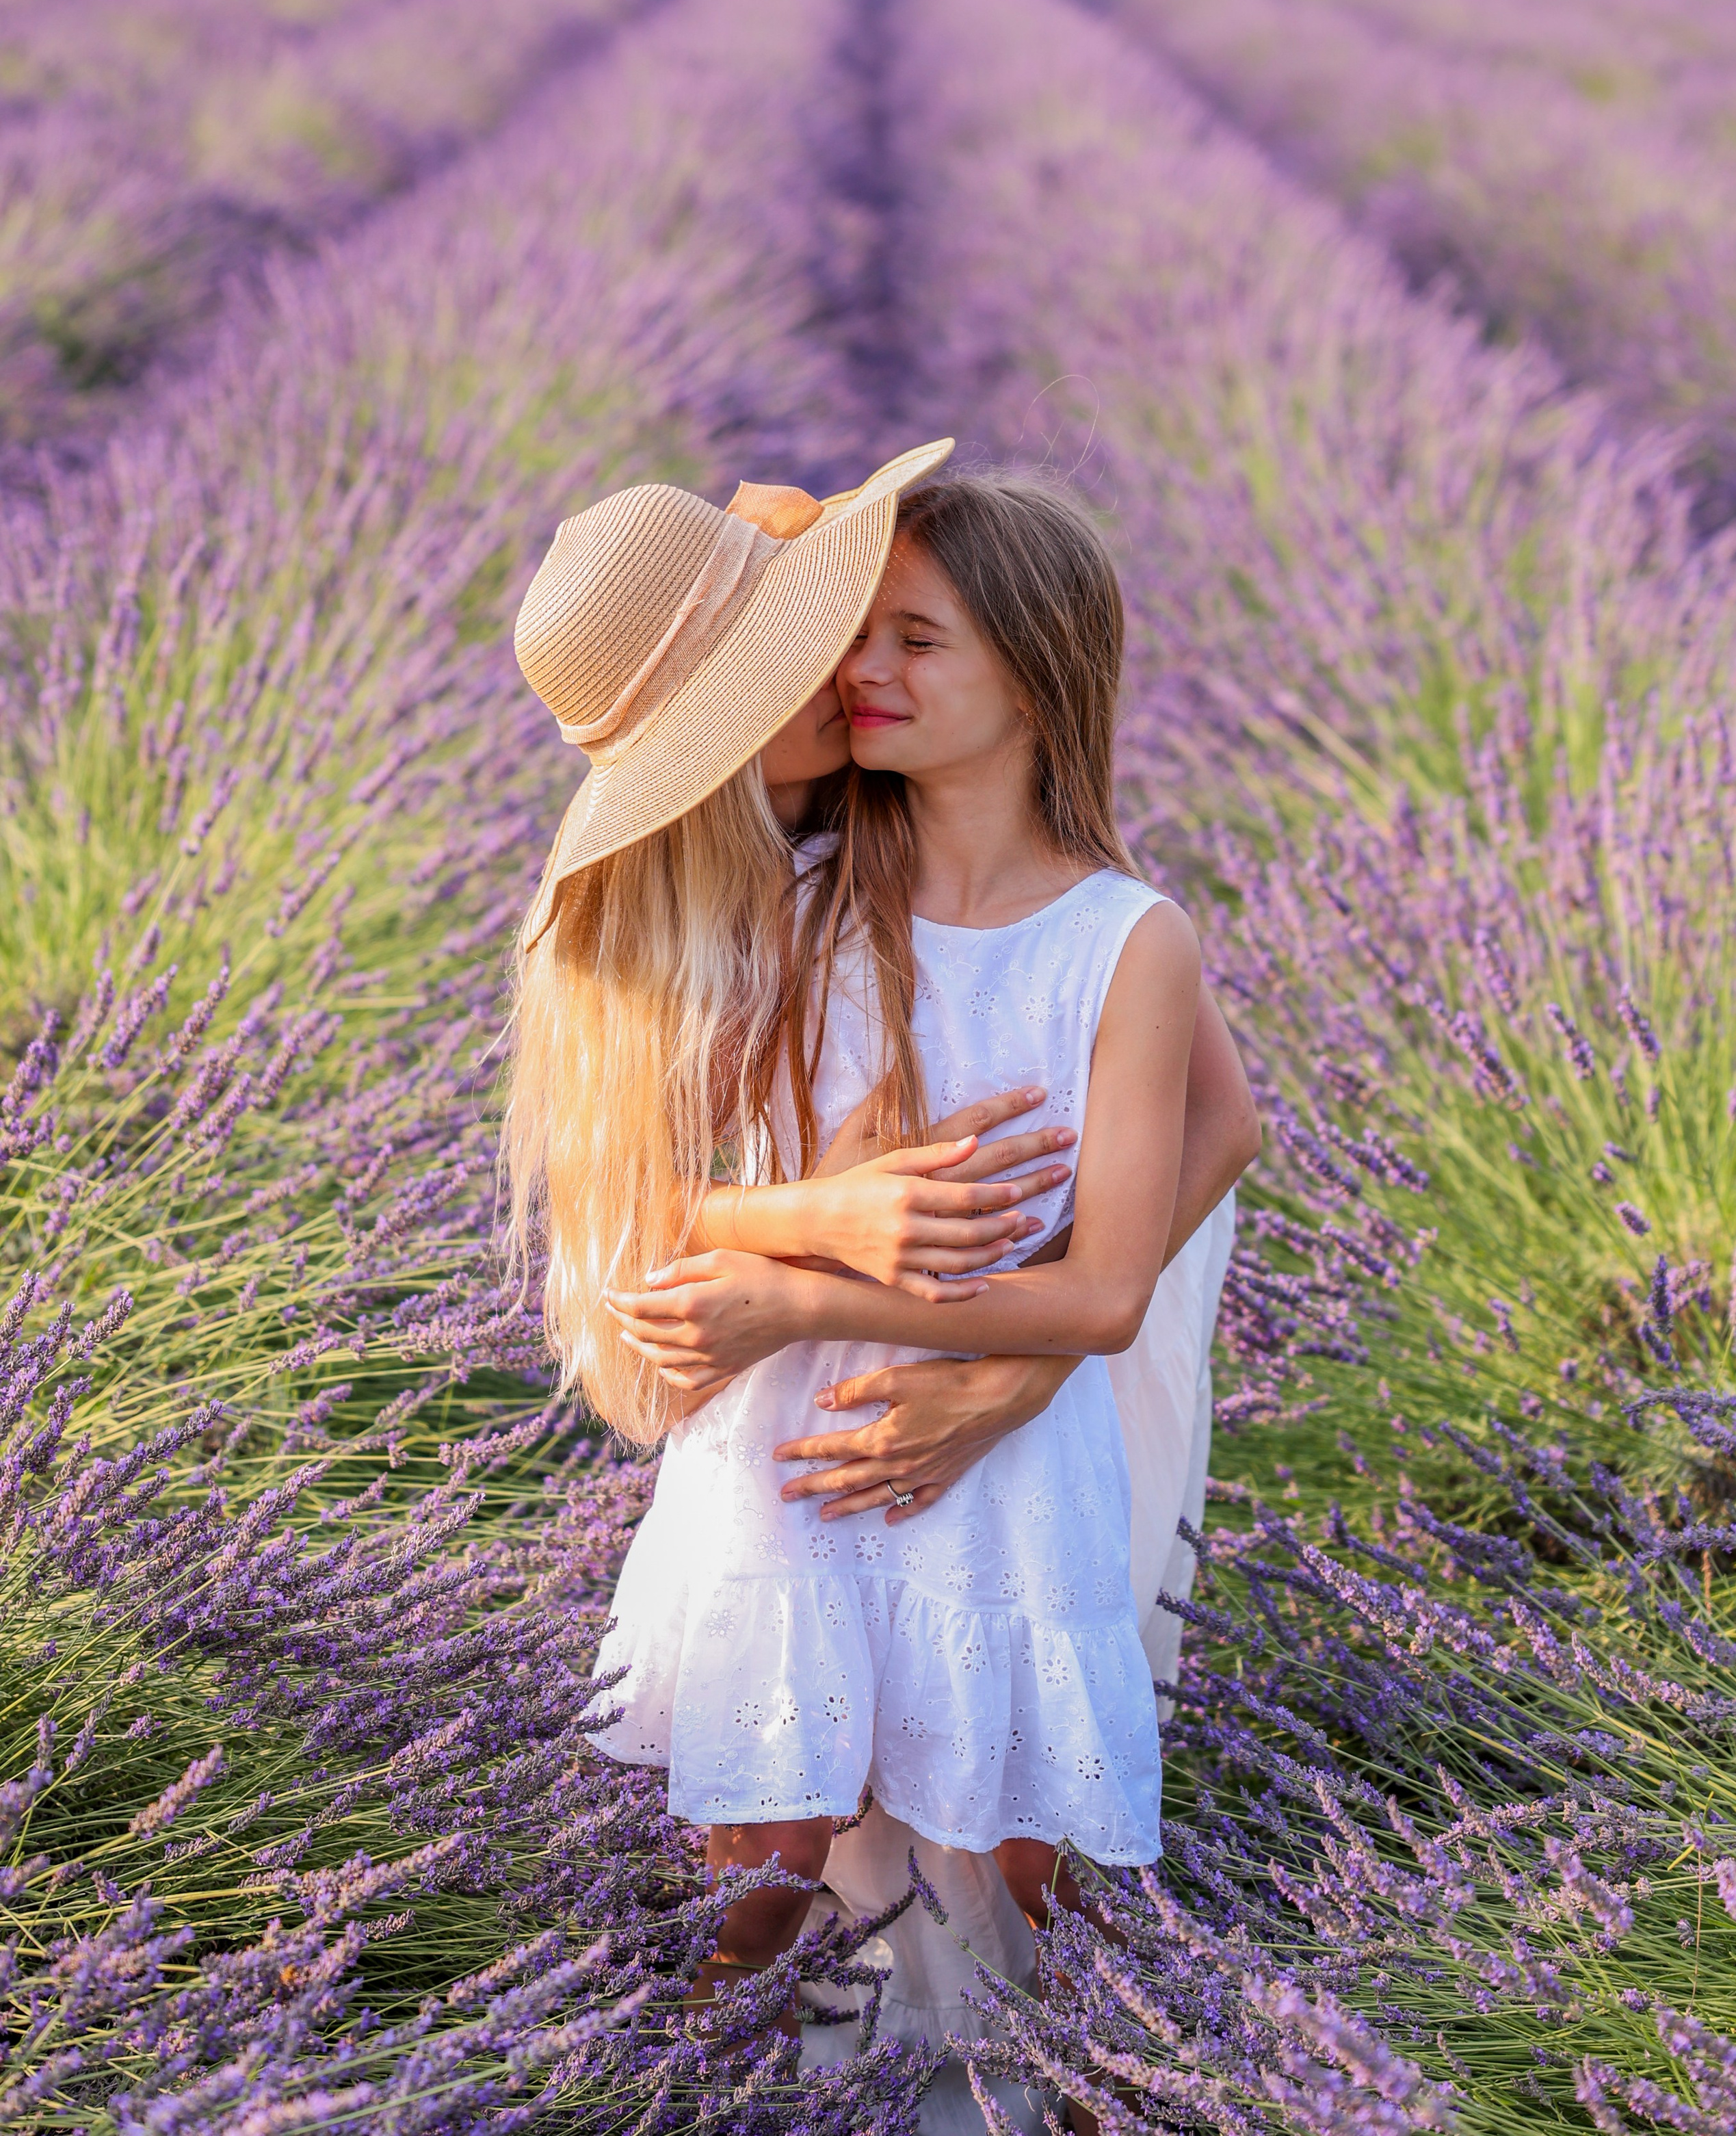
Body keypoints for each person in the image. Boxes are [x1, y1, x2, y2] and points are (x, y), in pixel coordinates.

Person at [503, 450, 1257, 2120]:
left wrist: (1026, 1362)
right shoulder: (775, 886)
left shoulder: (1090, 921)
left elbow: (1219, 1131)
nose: (848, 670)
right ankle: (680, 2097)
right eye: (823, 649)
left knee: (1005, 1865)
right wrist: (810, 1243)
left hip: (996, 1411)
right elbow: (649, 1216)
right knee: (773, 1857)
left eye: (885, 636)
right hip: (795, 1434)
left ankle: (1025, 2087)